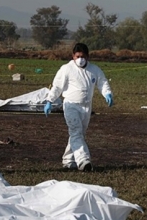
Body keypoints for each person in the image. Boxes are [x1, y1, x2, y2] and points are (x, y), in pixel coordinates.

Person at [44, 42, 113, 171]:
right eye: (77, 56)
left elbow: (102, 82)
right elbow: (57, 86)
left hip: (87, 106)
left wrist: (107, 93)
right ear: (73, 56)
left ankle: (68, 160)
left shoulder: (94, 70)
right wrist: (50, 100)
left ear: (88, 56)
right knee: (76, 132)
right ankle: (83, 160)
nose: (80, 59)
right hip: (71, 105)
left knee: (78, 133)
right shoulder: (66, 69)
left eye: (83, 56)